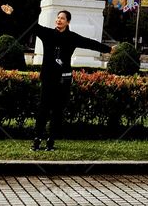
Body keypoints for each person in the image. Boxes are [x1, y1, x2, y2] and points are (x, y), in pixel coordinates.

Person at [30, 9, 111, 151]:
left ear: (68, 22)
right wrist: (12, 13)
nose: (58, 20)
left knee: (57, 111)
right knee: (43, 109)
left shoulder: (72, 37)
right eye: (58, 17)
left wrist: (109, 49)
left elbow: (90, 43)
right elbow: (31, 26)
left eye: (62, 18)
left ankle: (51, 141)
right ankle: (37, 139)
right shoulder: (47, 34)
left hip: (63, 80)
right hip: (48, 78)